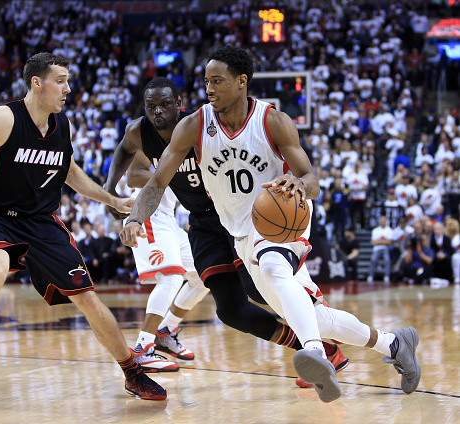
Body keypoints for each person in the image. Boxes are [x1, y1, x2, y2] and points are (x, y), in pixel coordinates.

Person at [119, 46, 421, 403]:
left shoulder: (272, 121)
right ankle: (394, 343)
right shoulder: (195, 125)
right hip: (241, 232)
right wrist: (136, 215)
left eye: (217, 81)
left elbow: (311, 179)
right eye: (206, 82)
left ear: (241, 81)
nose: (209, 89)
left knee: (275, 266)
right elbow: (157, 181)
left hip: (283, 216)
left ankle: (315, 354)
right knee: (312, 316)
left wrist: (300, 183)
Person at [0, 52, 166, 404]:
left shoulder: (62, 125)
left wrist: (112, 201)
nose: (68, 88)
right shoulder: (2, 118)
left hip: (41, 222)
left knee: (87, 296)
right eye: (61, 80)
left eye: (68, 81)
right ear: (37, 84)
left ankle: (132, 372)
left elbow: (70, 173)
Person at [104, 76, 349, 390]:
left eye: (165, 103)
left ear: (178, 104)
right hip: (201, 224)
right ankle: (319, 351)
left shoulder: (199, 127)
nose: (159, 111)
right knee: (232, 311)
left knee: (264, 292)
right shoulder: (139, 132)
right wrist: (111, 188)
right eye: (151, 106)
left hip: (234, 216)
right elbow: (126, 154)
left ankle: (323, 340)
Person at [124, 185, 210, 371]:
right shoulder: (157, 155)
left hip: (167, 217)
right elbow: (133, 175)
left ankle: (165, 331)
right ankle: (142, 349)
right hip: (147, 212)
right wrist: (110, 191)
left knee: (203, 277)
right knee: (171, 278)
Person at [368, 215, 393, 283]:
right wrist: (384, 241)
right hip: (377, 249)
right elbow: (373, 242)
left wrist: (379, 241)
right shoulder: (375, 230)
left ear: (386, 221)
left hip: (386, 249)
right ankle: (370, 276)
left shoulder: (389, 230)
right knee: (373, 259)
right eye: (381, 221)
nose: (382, 222)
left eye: (384, 221)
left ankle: (386, 276)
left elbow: (389, 242)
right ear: (379, 221)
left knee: (387, 260)